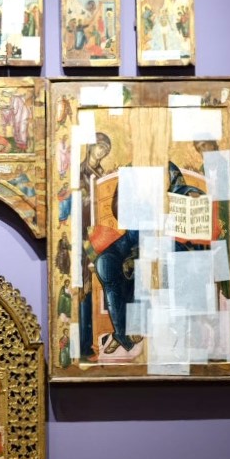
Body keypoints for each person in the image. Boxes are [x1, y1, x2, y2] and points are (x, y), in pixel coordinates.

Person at [78, 132, 142, 357]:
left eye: (105, 150)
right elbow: (82, 205)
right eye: (100, 147)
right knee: (104, 265)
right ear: (90, 146)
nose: (101, 152)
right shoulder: (81, 173)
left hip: (122, 236)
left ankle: (122, 333)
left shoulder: (103, 174)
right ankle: (119, 333)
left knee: (130, 270)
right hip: (93, 234)